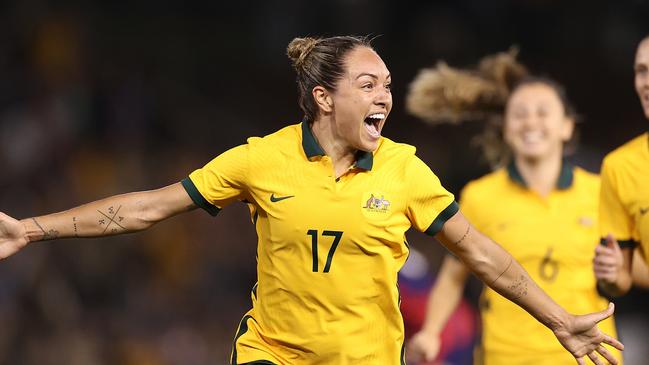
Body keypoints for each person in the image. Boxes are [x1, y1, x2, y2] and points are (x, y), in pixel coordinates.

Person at [0, 36, 623, 365]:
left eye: (388, 86)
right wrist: (32, 227)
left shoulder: (405, 170)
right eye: (367, 84)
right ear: (325, 99)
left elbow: (484, 256)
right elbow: (147, 208)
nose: (385, 96)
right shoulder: (258, 160)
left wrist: (558, 319)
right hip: (273, 354)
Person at [405, 51, 622, 365]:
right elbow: (453, 277)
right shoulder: (480, 196)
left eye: (542, 112)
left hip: (591, 355)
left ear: (567, 126)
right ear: (506, 128)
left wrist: (618, 274)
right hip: (507, 356)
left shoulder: (600, 190)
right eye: (520, 114)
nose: (530, 121)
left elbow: (630, 270)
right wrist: (431, 332)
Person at [593, 34, 649, 297]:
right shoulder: (619, 166)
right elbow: (621, 279)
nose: (647, 82)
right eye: (641, 71)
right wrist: (611, 275)